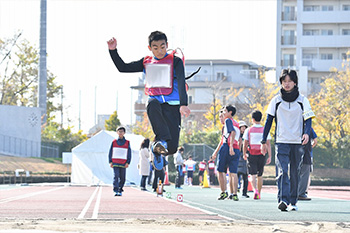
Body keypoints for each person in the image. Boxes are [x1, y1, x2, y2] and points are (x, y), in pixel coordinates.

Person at [107, 31, 190, 170]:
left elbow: (181, 81)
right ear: (150, 48)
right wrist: (113, 50)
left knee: (172, 148)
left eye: (162, 47)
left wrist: (183, 104)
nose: (159, 51)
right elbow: (123, 67)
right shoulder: (146, 62)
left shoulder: (175, 61)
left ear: (167, 45)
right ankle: (159, 142)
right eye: (155, 47)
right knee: (151, 103)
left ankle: (157, 150)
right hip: (155, 103)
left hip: (173, 105)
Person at [261, 69, 315, 211]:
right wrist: (263, 141)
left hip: (297, 142)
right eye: (284, 81)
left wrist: (306, 134)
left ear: (295, 82)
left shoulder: (303, 100)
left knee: (295, 172)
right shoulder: (276, 100)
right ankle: (283, 200)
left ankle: (293, 201)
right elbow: (268, 121)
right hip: (282, 141)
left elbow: (308, 119)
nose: (287, 84)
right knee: (282, 171)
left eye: (289, 81)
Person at [212, 105, 240, 201]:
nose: (223, 114)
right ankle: (234, 194)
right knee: (233, 172)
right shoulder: (237, 123)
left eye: (224, 111)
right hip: (236, 149)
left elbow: (232, 133)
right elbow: (238, 138)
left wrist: (230, 146)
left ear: (230, 112)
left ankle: (223, 192)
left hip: (227, 147)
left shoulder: (228, 121)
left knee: (220, 170)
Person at [243, 110, 272, 200]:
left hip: (252, 153)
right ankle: (259, 192)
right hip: (262, 154)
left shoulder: (249, 130)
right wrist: (270, 156)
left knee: (252, 174)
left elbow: (245, 143)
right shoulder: (264, 130)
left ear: (252, 119)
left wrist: (244, 153)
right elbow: (268, 143)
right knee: (260, 174)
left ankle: (255, 189)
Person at [108, 126, 131, 197]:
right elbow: (110, 152)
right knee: (116, 176)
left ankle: (120, 189)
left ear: (124, 133)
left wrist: (128, 162)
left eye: (122, 131)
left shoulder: (127, 142)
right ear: (117, 132)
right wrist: (110, 161)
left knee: (123, 177)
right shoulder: (114, 142)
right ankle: (115, 190)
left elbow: (129, 153)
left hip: (123, 163)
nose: (120, 133)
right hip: (115, 162)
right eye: (119, 131)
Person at [298, 127, 318, 201]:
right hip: (307, 153)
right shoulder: (309, 128)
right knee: (306, 173)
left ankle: (293, 191)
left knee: (295, 172)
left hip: (295, 152)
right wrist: (310, 147)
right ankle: (302, 192)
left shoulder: (294, 126)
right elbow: (315, 141)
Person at [237, 121, 249, 198]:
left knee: (245, 176)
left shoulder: (247, 136)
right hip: (238, 157)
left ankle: (244, 192)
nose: (243, 129)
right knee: (236, 175)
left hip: (245, 157)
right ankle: (234, 191)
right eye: (242, 127)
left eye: (244, 127)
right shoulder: (237, 136)